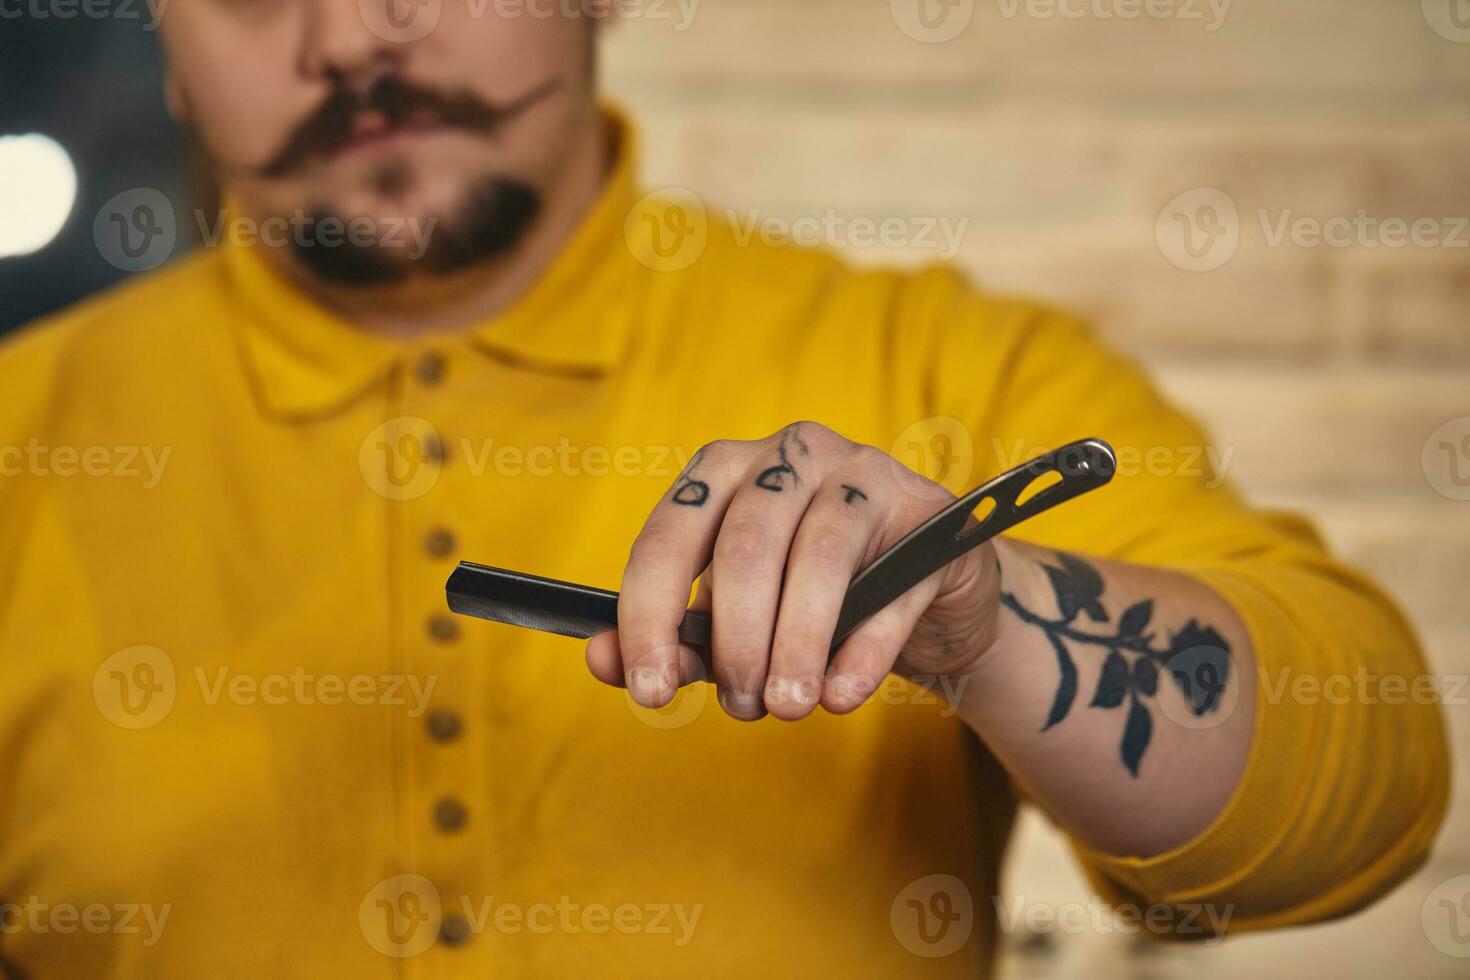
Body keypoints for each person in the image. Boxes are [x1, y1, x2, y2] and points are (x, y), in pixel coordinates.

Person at [0, 1, 1448, 975]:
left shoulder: (937, 359)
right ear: (167, 46)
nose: (349, 34)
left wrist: (984, 622)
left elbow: (1360, 789)